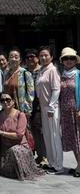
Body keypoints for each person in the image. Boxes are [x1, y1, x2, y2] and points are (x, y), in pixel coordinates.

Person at [0, 91, 44, 180]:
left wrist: (1, 132)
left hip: (20, 146)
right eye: (2, 100)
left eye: (8, 100)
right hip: (5, 148)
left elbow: (19, 135)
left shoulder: (20, 115)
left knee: (14, 150)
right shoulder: (0, 114)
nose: (5, 102)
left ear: (13, 101)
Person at [36, 46, 63, 174]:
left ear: (51, 57)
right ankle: (51, 163)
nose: (43, 57)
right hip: (43, 108)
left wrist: (52, 106)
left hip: (52, 108)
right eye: (41, 55)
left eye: (46, 55)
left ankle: (58, 165)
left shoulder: (53, 70)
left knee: (54, 136)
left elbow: (56, 89)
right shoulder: (42, 70)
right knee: (47, 136)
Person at [58, 47, 80, 177]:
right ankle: (77, 164)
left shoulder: (78, 74)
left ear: (75, 60)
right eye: (66, 58)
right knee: (70, 139)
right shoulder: (61, 75)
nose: (69, 61)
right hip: (65, 113)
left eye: (72, 58)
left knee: (78, 139)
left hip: (76, 111)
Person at [25, 48, 47, 166]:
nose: (30, 59)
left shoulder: (42, 70)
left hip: (39, 104)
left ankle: (44, 156)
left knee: (39, 130)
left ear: (37, 58)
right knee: (32, 130)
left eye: (33, 56)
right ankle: (38, 155)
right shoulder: (26, 71)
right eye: (28, 57)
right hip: (29, 104)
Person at [3, 48, 34, 116]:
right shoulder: (6, 74)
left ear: (20, 60)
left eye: (16, 57)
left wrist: (27, 110)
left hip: (21, 110)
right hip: (7, 110)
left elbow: (30, 94)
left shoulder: (25, 73)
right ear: (8, 59)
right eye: (11, 57)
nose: (13, 59)